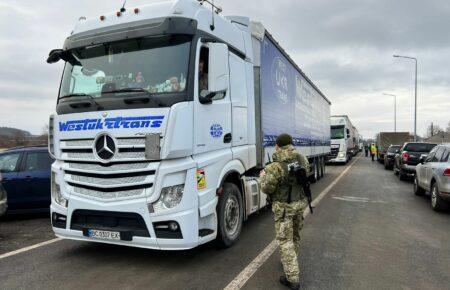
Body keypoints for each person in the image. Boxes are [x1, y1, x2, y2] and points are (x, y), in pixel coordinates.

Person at [259, 134, 309, 290]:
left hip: (284, 209)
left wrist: (262, 177)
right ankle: (290, 261)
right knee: (295, 235)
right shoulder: (301, 159)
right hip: (299, 205)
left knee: (285, 241)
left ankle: (293, 279)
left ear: (277, 146)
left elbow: (267, 188)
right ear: (291, 144)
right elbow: (306, 175)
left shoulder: (275, 166)